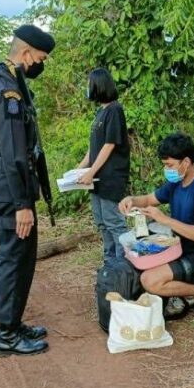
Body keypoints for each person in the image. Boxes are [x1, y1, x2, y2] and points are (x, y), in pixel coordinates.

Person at [0, 25, 55, 356]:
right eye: (40, 58)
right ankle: (7, 334)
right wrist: (23, 203)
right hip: (12, 188)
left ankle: (14, 321)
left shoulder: (2, 81)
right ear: (25, 54)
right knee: (13, 257)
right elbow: (12, 152)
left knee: (20, 257)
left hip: (11, 183)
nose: (41, 64)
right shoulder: (6, 90)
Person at [118, 133, 194, 322]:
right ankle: (181, 294)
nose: (167, 170)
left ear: (186, 162)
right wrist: (132, 200)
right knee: (135, 259)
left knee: (149, 280)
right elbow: (149, 199)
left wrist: (165, 220)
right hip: (179, 250)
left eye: (170, 165)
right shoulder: (175, 184)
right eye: (165, 165)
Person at [76, 68, 130, 268]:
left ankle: (123, 266)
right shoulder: (101, 112)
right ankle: (109, 263)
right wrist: (79, 169)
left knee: (114, 223)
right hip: (97, 179)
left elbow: (109, 145)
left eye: (90, 84)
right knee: (102, 223)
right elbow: (94, 147)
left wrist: (90, 172)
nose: (88, 88)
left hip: (110, 178)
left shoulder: (115, 110)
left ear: (99, 85)